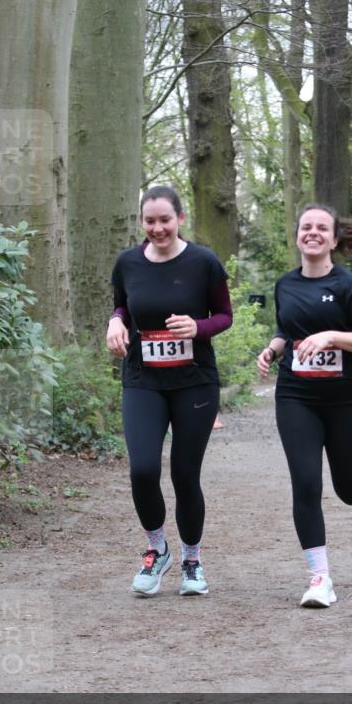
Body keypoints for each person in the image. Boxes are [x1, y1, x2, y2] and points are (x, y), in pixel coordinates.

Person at [256, 204, 352, 609]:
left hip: (349, 396)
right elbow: (287, 329)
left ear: (333, 239)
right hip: (297, 395)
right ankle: (320, 578)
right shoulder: (285, 285)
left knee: (347, 485)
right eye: (305, 227)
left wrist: (332, 335)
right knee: (306, 483)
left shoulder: (349, 286)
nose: (312, 233)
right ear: (297, 235)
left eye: (321, 228)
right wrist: (274, 349)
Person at [107, 186, 232, 597]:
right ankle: (156, 549)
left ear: (180, 218)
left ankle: (192, 559)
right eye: (150, 221)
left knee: (183, 473)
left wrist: (199, 327)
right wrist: (116, 321)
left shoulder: (203, 262)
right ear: (141, 222)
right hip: (143, 379)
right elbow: (123, 304)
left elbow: (224, 316)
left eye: (165, 220)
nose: (158, 228)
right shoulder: (127, 262)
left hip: (194, 381)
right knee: (143, 468)